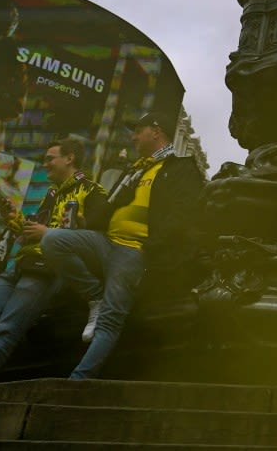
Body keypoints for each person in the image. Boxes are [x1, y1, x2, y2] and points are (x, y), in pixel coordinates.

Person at [0, 138, 107, 388]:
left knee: (3, 334)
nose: (45, 164)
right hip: (19, 265)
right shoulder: (52, 193)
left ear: (70, 159)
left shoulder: (93, 192)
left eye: (50, 158)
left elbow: (93, 239)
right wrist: (14, 219)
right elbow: (31, 232)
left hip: (46, 271)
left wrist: (47, 233)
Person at [40, 112, 204, 379]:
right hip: (105, 241)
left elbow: (184, 213)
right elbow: (110, 206)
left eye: (138, 130)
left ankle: (78, 379)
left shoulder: (180, 168)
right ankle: (95, 297)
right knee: (53, 240)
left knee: (111, 319)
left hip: (134, 251)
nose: (133, 137)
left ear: (156, 131)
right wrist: (86, 221)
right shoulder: (135, 169)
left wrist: (152, 247)